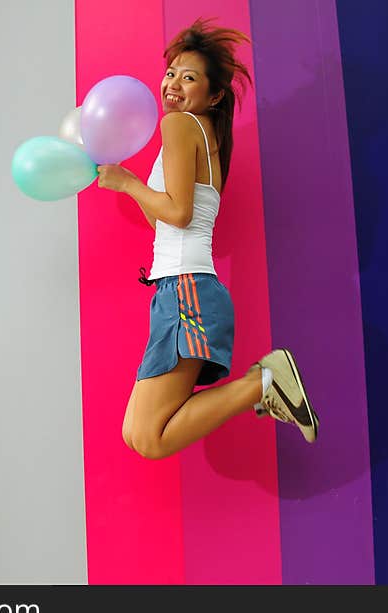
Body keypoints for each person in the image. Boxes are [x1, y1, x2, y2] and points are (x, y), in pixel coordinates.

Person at [97, 18, 319, 460]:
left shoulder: (180, 125)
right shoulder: (205, 135)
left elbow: (177, 213)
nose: (173, 84)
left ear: (214, 95)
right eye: (171, 73)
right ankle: (262, 385)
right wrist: (135, 186)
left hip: (186, 290)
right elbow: (168, 216)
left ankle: (264, 381)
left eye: (189, 77)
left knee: (146, 437)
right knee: (139, 435)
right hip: (180, 289)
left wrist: (127, 185)